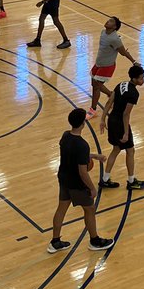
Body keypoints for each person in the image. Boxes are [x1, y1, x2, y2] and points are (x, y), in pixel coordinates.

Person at [48, 108, 114, 253]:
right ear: (83, 123)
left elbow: (74, 154)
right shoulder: (82, 145)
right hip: (76, 183)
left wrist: (95, 156)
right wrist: (92, 188)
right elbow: (83, 172)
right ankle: (94, 240)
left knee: (61, 209)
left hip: (64, 178)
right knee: (90, 209)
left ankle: (55, 242)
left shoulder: (65, 136)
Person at [99, 64, 144, 190]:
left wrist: (103, 119)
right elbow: (126, 114)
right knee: (130, 151)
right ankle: (131, 181)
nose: (143, 80)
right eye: (141, 78)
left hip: (112, 120)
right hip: (120, 124)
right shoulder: (134, 93)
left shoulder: (121, 84)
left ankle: (105, 179)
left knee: (116, 149)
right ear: (135, 79)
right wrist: (126, 133)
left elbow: (110, 102)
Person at [87, 16, 137, 118]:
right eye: (108, 20)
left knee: (96, 86)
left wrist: (134, 61)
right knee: (94, 84)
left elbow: (123, 52)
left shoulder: (115, 39)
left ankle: (93, 110)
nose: (107, 21)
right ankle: (111, 94)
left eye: (110, 21)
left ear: (114, 27)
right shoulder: (103, 32)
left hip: (107, 66)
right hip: (98, 63)